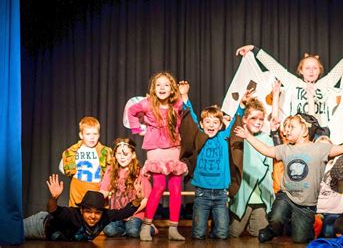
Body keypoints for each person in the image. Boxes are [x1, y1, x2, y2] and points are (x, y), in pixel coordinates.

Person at [235, 113, 343, 243]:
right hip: (287, 195)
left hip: (306, 204)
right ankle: (273, 229)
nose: (287, 130)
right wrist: (248, 136)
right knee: (276, 216)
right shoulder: (285, 148)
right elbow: (266, 150)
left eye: (291, 127)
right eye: (286, 127)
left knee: (300, 239)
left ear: (305, 131)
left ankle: (308, 233)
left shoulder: (320, 148)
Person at [235, 44, 343, 127]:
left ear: (320, 71)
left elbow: (341, 66)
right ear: (301, 71)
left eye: (315, 68)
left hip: (319, 131)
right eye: (307, 68)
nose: (311, 71)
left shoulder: (325, 83)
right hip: (296, 129)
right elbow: (274, 66)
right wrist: (254, 49)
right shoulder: (293, 82)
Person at [179, 86, 249, 240]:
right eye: (207, 122)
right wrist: (185, 97)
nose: (211, 125)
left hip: (220, 195)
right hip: (202, 194)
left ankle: (214, 232)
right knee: (197, 234)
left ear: (220, 125)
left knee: (223, 234)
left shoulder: (224, 137)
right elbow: (191, 118)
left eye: (215, 122)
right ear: (202, 124)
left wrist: (242, 106)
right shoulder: (199, 136)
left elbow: (234, 123)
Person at [127, 71, 189, 241]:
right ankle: (146, 226)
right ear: (153, 88)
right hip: (155, 149)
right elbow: (132, 111)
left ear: (172, 89)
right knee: (159, 186)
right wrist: (137, 130)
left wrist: (184, 94)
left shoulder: (176, 103)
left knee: (176, 189)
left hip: (174, 148)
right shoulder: (147, 104)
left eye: (166, 85)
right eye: (158, 85)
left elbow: (187, 109)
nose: (162, 88)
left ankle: (173, 228)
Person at [23, 174, 143, 241]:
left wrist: (137, 200)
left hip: (51, 238)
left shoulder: (105, 216)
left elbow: (124, 212)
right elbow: (52, 210)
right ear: (81, 210)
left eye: (97, 213)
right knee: (8, 231)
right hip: (40, 225)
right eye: (88, 211)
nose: (92, 216)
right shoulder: (72, 215)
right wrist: (54, 198)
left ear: (102, 212)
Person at [229, 97, 275, 238]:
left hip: (260, 197)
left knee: (258, 234)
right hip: (243, 194)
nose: (258, 122)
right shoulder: (238, 136)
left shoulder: (267, 139)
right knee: (234, 233)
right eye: (253, 118)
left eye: (261, 119)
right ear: (244, 119)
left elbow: (269, 168)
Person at [99, 138, 157, 238]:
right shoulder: (110, 170)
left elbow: (146, 199)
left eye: (125, 154)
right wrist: (96, 198)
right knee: (108, 230)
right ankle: (126, 231)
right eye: (118, 154)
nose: (122, 157)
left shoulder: (141, 172)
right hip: (118, 214)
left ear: (133, 155)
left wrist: (130, 212)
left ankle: (150, 228)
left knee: (133, 231)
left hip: (135, 214)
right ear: (115, 155)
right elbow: (103, 190)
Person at [59, 116, 113, 207]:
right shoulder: (72, 151)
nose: (92, 137)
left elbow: (112, 171)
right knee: (76, 215)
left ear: (99, 135)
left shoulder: (106, 152)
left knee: (96, 215)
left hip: (97, 188)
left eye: (95, 134)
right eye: (88, 134)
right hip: (78, 189)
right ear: (81, 135)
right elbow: (63, 168)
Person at [314, 135, 343, 238]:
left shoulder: (338, 164)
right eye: (320, 147)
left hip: (334, 211)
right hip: (317, 211)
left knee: (328, 232)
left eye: (327, 148)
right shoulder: (312, 167)